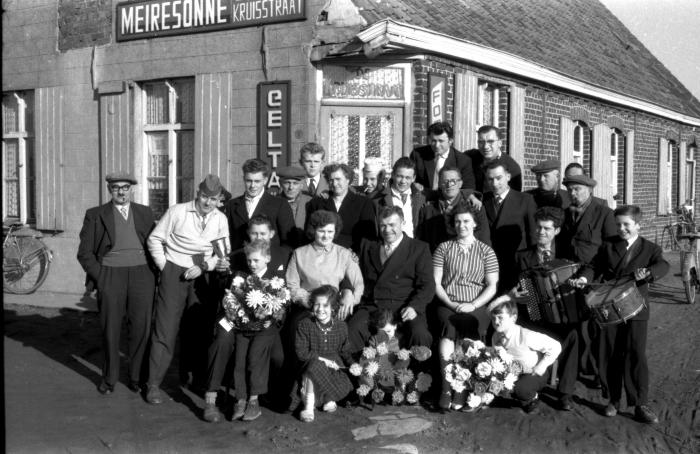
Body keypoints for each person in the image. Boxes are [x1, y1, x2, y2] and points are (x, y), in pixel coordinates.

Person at [571, 205, 669, 424]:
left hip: (636, 309)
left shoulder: (650, 248)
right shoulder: (608, 246)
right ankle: (613, 399)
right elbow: (593, 266)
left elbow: (663, 265)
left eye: (626, 224)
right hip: (610, 309)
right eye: (618, 224)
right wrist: (585, 278)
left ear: (638, 225)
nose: (622, 228)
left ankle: (639, 403)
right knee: (610, 353)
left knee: (636, 354)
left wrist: (650, 273)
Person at [145, 175, 230, 405]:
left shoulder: (220, 219)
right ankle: (153, 384)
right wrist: (165, 266)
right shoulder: (178, 211)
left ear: (218, 199)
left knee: (199, 330)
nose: (207, 203)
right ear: (197, 193)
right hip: (174, 272)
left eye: (213, 199)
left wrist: (205, 267)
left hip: (201, 276)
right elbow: (154, 239)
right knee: (165, 329)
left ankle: (192, 379)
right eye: (204, 197)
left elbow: (223, 252)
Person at [202, 215, 292, 422]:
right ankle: (211, 397)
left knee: (273, 354)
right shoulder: (236, 256)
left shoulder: (284, 255)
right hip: (233, 317)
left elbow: (286, 291)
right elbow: (220, 289)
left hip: (265, 320)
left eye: (262, 233)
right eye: (254, 233)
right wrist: (221, 272)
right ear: (247, 235)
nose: (258, 237)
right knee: (222, 340)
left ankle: (261, 396)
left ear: (271, 234)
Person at [77, 172, 156, 395]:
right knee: (110, 328)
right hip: (111, 275)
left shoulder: (145, 212)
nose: (121, 192)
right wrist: (101, 277)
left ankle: (136, 378)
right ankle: (109, 379)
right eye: (115, 188)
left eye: (125, 187)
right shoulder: (95, 214)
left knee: (141, 328)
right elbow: (84, 253)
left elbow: (155, 244)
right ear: (109, 190)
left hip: (142, 275)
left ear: (132, 189)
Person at [433, 203, 499, 411]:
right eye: (458, 221)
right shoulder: (443, 248)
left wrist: (473, 304)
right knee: (449, 328)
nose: (462, 225)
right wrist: (452, 303)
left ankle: (461, 388)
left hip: (476, 305)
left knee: (469, 328)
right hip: (448, 303)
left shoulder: (486, 251)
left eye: (466, 221)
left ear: (475, 223)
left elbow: (492, 286)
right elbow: (436, 283)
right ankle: (446, 387)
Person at [513, 207, 580, 411]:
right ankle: (533, 385)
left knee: (574, 334)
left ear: (557, 231)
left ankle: (565, 393)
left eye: (547, 229)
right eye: (539, 228)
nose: (541, 232)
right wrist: (517, 296)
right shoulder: (522, 256)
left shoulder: (568, 254)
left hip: (561, 316)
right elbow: (515, 286)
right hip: (534, 316)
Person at [347, 206, 434, 353]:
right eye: (383, 225)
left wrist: (415, 307)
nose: (387, 230)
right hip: (373, 304)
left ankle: (419, 374)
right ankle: (356, 372)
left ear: (402, 223)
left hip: (404, 305)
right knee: (353, 329)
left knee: (420, 335)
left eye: (392, 225)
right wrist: (348, 291)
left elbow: (427, 285)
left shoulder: (418, 248)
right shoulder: (367, 245)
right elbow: (351, 272)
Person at [229, 240, 287, 421]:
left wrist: (273, 319)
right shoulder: (241, 277)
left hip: (265, 328)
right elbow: (233, 300)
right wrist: (236, 314)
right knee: (239, 359)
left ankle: (254, 400)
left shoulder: (276, 280)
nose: (252, 265)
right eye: (249, 261)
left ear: (267, 258)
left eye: (256, 260)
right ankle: (240, 398)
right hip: (244, 326)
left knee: (255, 358)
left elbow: (282, 305)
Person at [489, 296, 562, 414]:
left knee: (521, 389)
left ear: (513, 318)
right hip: (512, 371)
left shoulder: (526, 335)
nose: (496, 322)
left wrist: (540, 367)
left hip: (532, 372)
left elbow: (555, 346)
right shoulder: (495, 336)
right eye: (493, 319)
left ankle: (532, 398)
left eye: (500, 318)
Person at [286, 210, 364, 320]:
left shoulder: (344, 254)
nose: (326, 236)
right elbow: (292, 285)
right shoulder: (299, 253)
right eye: (321, 231)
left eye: (330, 231)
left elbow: (358, 284)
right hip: (307, 308)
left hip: (336, 310)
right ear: (314, 231)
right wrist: (312, 303)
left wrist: (350, 300)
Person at [295, 285, 354, 422]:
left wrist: (353, 364)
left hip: (334, 366)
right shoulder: (305, 325)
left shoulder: (341, 326)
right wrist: (323, 360)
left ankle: (328, 397)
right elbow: (301, 353)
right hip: (310, 364)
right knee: (314, 367)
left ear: (333, 307)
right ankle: (309, 406)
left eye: (325, 306)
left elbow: (345, 351)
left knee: (340, 378)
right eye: (317, 305)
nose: (320, 309)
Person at [482, 161, 537, 292]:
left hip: (518, 267)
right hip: (491, 268)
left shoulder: (525, 200)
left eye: (498, 178)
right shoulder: (482, 201)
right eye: (490, 179)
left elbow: (533, 236)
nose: (495, 184)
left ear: (508, 176)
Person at [224, 158, 295, 250]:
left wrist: (279, 262)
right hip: (239, 262)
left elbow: (289, 242)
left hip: (269, 261)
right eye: (249, 181)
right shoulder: (231, 205)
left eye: (257, 181)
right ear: (243, 179)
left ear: (265, 180)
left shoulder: (279, 204)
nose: (252, 185)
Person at [306, 163, 377, 253]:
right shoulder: (317, 203)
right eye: (331, 180)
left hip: (352, 254)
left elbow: (368, 235)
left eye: (338, 179)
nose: (335, 184)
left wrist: (355, 252)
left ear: (348, 180)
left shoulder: (363, 203)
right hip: (322, 255)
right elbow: (310, 232)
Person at [418, 166, 490, 252]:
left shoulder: (475, 207)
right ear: (439, 184)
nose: (449, 185)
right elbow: (422, 243)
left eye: (453, 181)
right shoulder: (427, 210)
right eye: (445, 181)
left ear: (460, 183)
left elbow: (484, 240)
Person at [558, 174, 616, 265]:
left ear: (589, 190)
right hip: (567, 269)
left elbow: (611, 248)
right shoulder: (564, 214)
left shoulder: (605, 214)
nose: (572, 193)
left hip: (592, 270)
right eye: (569, 190)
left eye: (577, 189)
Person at [410, 121, 475, 192]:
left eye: (441, 141)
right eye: (433, 141)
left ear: (450, 141)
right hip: (423, 198)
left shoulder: (463, 160)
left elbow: (468, 189)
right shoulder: (417, 155)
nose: (436, 145)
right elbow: (408, 178)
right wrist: (414, 185)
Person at [374, 157, 426, 238]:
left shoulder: (421, 198)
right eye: (400, 176)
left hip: (413, 246)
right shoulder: (378, 200)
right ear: (393, 175)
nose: (403, 181)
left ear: (414, 178)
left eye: (407, 177)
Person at [468, 125, 522, 192]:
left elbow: (514, 198)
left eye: (490, 141)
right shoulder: (469, 158)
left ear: (500, 143)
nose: (485, 146)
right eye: (481, 142)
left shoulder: (512, 168)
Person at [276, 166, 312, 247]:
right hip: (282, 250)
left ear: (302, 185)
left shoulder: (310, 202)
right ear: (280, 183)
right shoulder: (273, 202)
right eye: (287, 183)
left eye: (295, 183)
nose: (291, 187)